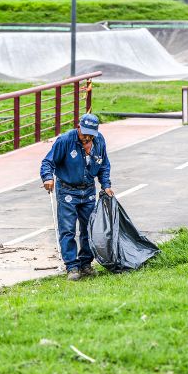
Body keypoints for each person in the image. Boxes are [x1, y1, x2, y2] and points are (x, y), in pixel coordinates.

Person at [40, 114, 113, 281]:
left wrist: (106, 184)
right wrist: (47, 178)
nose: (86, 137)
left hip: (87, 190)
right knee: (68, 230)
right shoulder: (65, 140)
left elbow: (104, 165)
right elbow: (47, 162)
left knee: (88, 228)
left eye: (90, 134)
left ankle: (86, 263)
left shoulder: (99, 141)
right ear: (78, 127)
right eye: (84, 133)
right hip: (67, 190)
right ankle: (72, 266)